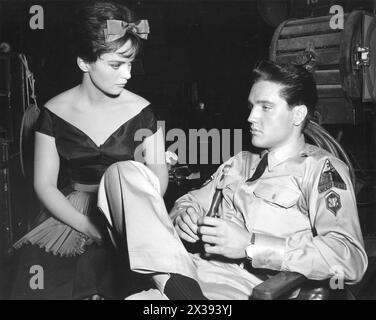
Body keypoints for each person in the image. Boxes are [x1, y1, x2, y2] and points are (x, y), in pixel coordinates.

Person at [97, 60, 368, 300]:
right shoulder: (239, 163)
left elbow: (348, 257)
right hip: (193, 270)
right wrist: (184, 214)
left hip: (251, 288)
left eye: (266, 108)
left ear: (297, 114)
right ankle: (178, 287)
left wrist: (252, 245)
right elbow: (191, 200)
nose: (251, 117)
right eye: (251, 107)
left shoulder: (322, 170)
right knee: (122, 172)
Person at [9, 1, 167, 300]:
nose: (127, 75)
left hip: (130, 213)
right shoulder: (52, 113)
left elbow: (159, 177)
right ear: (84, 62)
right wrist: (89, 228)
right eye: (116, 64)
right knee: (37, 282)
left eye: (131, 64)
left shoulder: (144, 111)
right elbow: (44, 186)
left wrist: (126, 216)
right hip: (72, 215)